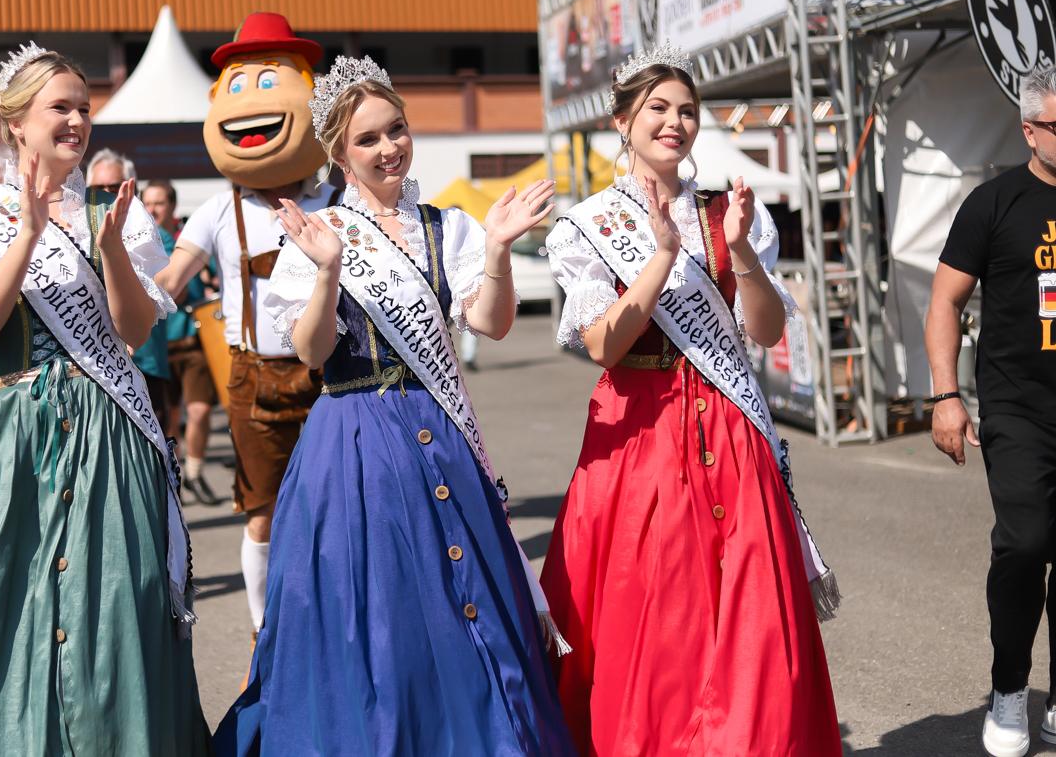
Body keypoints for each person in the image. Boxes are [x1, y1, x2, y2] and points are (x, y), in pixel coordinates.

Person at [216, 56, 573, 754]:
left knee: (464, 601)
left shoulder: (447, 227)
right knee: (380, 613)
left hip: (439, 432)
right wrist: (327, 269)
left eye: (397, 129)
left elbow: (492, 322)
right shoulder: (318, 232)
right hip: (354, 445)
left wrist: (498, 249)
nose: (389, 148)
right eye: (369, 139)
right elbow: (313, 351)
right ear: (340, 154)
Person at [538, 45, 841, 756]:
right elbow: (604, 344)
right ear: (622, 120)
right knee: (655, 618)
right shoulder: (589, 224)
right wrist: (663, 256)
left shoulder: (729, 212)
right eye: (658, 108)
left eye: (687, 110)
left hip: (729, 431)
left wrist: (743, 256)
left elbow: (764, 331)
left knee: (751, 616)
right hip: (638, 435)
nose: (675, 122)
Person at [0, 44, 208, 755]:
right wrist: (26, 238)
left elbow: (134, 331)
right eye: (60, 107)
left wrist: (112, 249)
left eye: (84, 108)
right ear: (17, 122)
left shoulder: (114, 213)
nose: (76, 120)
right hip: (14, 433)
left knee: (116, 598)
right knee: (7, 597)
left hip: (108, 430)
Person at [156, 12, 334, 640]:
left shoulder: (338, 200)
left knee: (336, 504)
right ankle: (266, 632)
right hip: (251, 375)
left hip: (333, 376)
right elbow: (170, 281)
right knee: (261, 510)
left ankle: (330, 617)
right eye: (238, 85)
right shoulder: (216, 209)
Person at [925, 65, 1056, 757]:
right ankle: (1010, 687)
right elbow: (944, 301)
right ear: (1030, 130)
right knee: (1025, 544)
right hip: (1019, 407)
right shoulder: (994, 203)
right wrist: (946, 396)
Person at [144, 180, 219, 505]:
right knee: (171, 419)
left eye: (159, 203)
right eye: (148, 203)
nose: (153, 210)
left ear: (172, 206)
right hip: (159, 347)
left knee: (200, 411)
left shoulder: (187, 240)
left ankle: (195, 472)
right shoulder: (140, 242)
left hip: (192, 338)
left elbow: (205, 280)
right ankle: (174, 476)